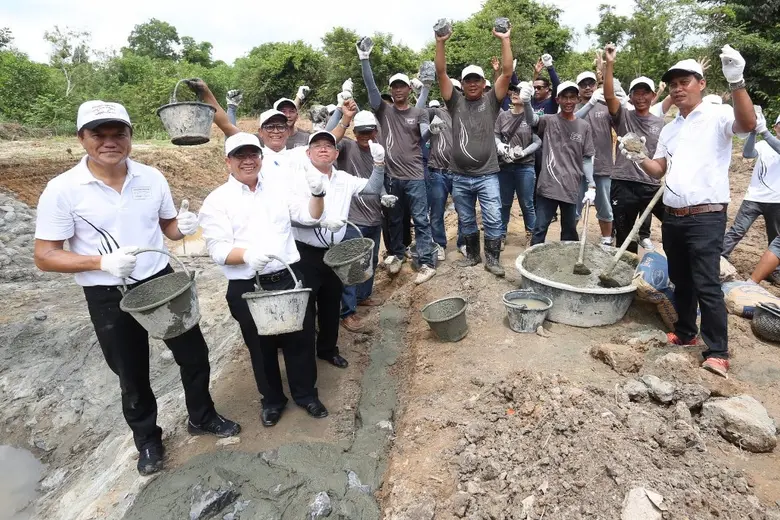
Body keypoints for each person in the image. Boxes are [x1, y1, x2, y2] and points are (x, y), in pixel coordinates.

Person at [33, 101, 240, 476]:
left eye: (119, 134)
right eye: (99, 135)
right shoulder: (63, 190)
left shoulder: (151, 178)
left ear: (130, 136)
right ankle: (147, 440)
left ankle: (202, 416)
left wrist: (183, 226)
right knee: (131, 373)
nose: (109, 142)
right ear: (81, 138)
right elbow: (45, 256)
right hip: (108, 293)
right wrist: (100, 263)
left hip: (160, 280)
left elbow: (169, 229)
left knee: (194, 354)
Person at [623, 46, 757, 378]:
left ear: (701, 83)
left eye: (685, 82)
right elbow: (658, 170)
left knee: (707, 283)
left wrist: (737, 81)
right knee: (681, 280)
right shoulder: (670, 129)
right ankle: (685, 332)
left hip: (706, 215)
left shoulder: (718, 115)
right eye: (673, 84)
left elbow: (748, 123)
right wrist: (638, 156)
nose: (678, 89)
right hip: (673, 214)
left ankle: (718, 351)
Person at [199, 132, 328, 426]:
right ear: (228, 161)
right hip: (248, 285)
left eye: (253, 154)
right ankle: (272, 400)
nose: (248, 161)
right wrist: (247, 255)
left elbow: (310, 217)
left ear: (260, 157)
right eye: (240, 156)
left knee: (300, 339)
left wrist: (318, 195)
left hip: (289, 277)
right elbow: (217, 250)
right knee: (261, 346)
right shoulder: (217, 201)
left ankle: (306, 394)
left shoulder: (278, 189)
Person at [291, 130, 387, 369]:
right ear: (308, 152)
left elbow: (372, 188)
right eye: (317, 145)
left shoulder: (344, 178)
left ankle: (327, 349)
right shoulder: (297, 179)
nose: (323, 149)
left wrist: (379, 164)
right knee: (306, 306)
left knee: (331, 303)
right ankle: (303, 357)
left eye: (328, 146)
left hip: (336, 252)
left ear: (336, 153)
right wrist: (319, 223)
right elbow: (289, 218)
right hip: (306, 253)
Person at [434, 21, 513, 276]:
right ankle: (473, 256)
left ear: (483, 82)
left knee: (493, 217)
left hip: (487, 174)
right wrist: (440, 43)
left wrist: (505, 39)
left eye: (476, 79)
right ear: (462, 83)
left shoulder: (491, 101)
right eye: (467, 80)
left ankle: (493, 260)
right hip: (459, 176)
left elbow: (507, 73)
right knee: (466, 218)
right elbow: (441, 73)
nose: (472, 84)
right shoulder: (455, 103)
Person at [359, 39, 436, 284]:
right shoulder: (384, 111)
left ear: (409, 90)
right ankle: (398, 255)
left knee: (421, 219)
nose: (398, 90)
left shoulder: (419, 112)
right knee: (393, 220)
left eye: (402, 86)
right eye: (394, 87)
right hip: (392, 177)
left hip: (415, 176)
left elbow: (423, 136)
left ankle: (426, 262)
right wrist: (364, 59)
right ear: (391, 90)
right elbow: (371, 88)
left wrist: (432, 130)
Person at [325, 100, 396, 333]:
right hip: (352, 219)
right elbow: (328, 138)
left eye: (369, 131)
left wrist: (384, 195)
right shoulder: (346, 148)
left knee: (371, 260)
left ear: (376, 131)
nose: (365, 136)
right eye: (361, 132)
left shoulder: (378, 151)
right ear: (354, 133)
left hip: (374, 216)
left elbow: (378, 180)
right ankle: (348, 312)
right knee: (351, 268)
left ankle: (364, 296)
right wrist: (341, 113)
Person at [602, 43, 665, 254]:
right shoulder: (623, 116)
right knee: (624, 234)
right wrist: (609, 64)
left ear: (653, 95)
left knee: (673, 221)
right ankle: (626, 270)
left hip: (650, 184)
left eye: (645, 93)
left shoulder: (660, 124)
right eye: (636, 93)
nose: (640, 97)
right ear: (630, 97)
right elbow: (609, 96)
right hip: (623, 182)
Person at [520, 82, 596, 245]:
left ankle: (567, 260)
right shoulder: (549, 121)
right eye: (564, 97)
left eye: (572, 97)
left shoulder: (584, 126)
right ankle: (533, 259)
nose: (568, 101)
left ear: (578, 99)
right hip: (548, 186)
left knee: (569, 231)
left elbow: (586, 158)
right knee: (540, 228)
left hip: (571, 186)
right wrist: (526, 102)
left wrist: (591, 184)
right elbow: (532, 120)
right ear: (557, 100)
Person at [723, 111, 780, 286]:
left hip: (777, 200)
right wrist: (754, 132)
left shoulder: (770, 140)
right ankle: (719, 257)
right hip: (754, 197)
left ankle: (773, 270)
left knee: (775, 238)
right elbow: (748, 154)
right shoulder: (763, 144)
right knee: (737, 230)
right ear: (776, 127)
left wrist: (763, 131)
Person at [495, 83, 541, 247]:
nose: (516, 93)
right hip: (505, 166)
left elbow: (537, 141)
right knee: (504, 203)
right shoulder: (503, 116)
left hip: (525, 166)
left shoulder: (532, 117)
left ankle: (532, 236)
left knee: (527, 203)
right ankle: (500, 235)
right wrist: (499, 145)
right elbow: (496, 135)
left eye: (520, 91)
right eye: (514, 90)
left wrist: (524, 152)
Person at [575, 69, 614, 245]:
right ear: (578, 88)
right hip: (577, 168)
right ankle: (570, 240)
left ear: (595, 85)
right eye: (583, 85)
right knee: (574, 207)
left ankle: (606, 240)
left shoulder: (605, 106)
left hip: (602, 166)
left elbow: (621, 122)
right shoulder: (572, 108)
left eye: (590, 84)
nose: (587, 87)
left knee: (604, 206)